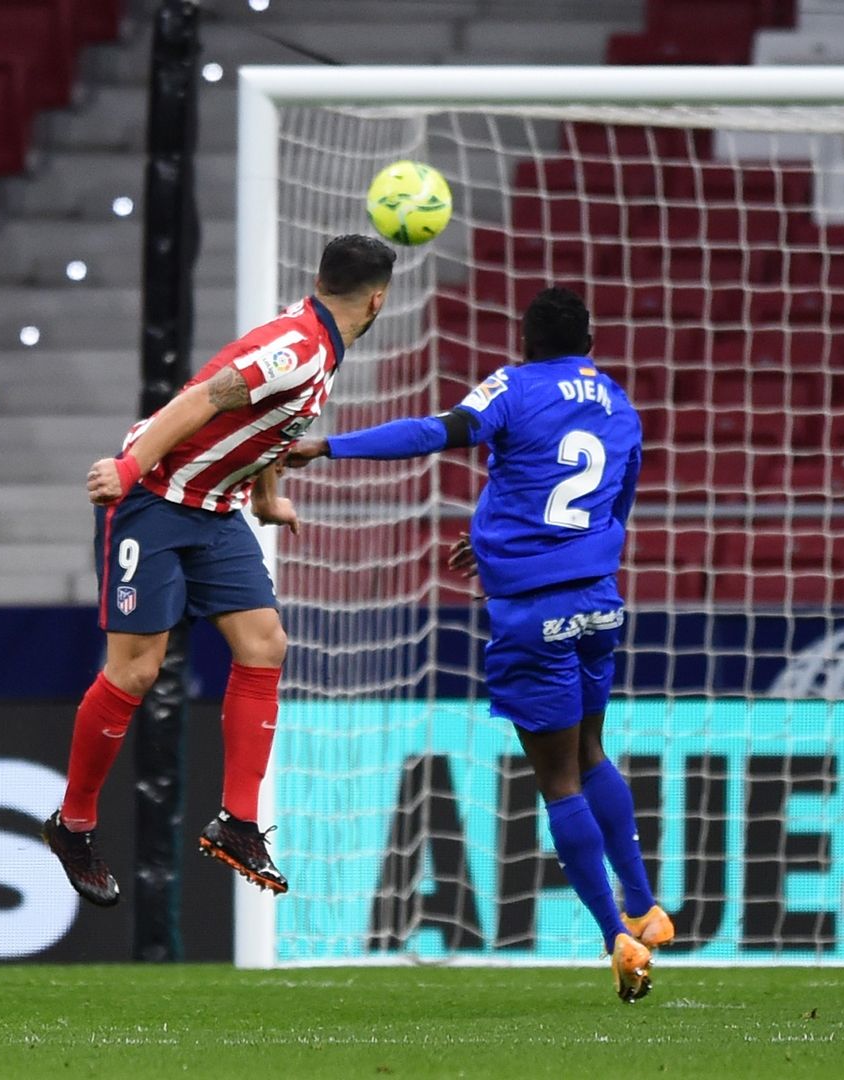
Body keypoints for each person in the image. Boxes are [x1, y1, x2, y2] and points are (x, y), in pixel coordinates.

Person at [288, 286, 667, 1003]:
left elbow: (437, 432)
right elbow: (613, 506)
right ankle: (647, 906)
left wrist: (328, 445)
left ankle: (613, 933)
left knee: (559, 781)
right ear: (587, 342)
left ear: (526, 341)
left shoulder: (515, 388)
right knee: (593, 755)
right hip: (598, 603)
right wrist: (501, 547)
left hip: (532, 616)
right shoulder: (620, 404)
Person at [43, 234, 398, 906]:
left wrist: (265, 500)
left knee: (265, 644)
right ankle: (74, 825)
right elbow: (203, 399)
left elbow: (268, 427)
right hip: (153, 499)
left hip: (217, 509)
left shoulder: (320, 344)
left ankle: (237, 822)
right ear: (378, 299)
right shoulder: (299, 347)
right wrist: (127, 468)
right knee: (137, 670)